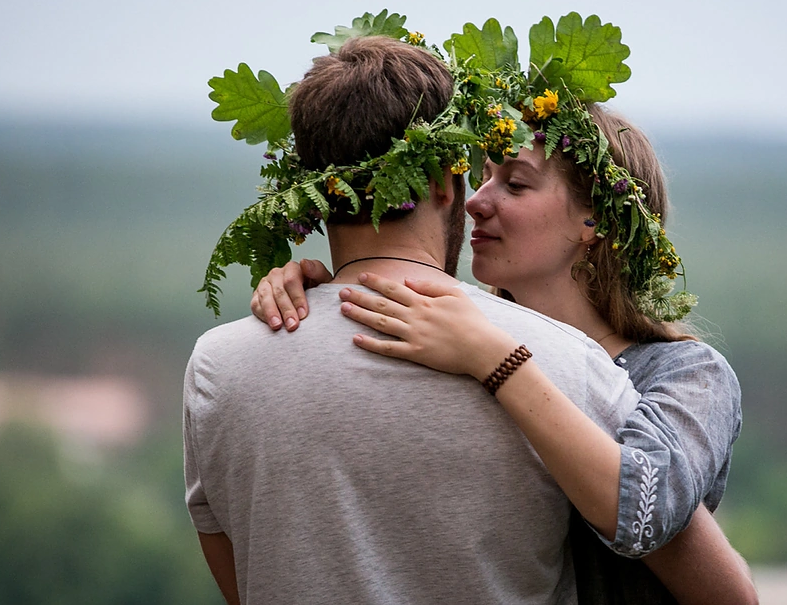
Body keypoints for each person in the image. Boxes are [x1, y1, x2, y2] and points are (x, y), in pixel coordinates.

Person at [186, 34, 682, 604]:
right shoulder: (574, 368)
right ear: (445, 183)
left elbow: (242, 583)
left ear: (311, 192)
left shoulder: (217, 367)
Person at [253, 104, 754, 604]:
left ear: (593, 218)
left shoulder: (688, 374)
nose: (475, 201)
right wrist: (317, 296)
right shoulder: (456, 334)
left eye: (514, 184)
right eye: (483, 176)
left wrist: (497, 360)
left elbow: (648, 512)